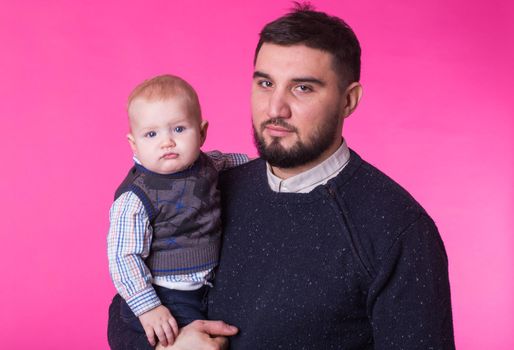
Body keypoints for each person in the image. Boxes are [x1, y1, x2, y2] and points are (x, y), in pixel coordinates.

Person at [108, 4, 455, 349]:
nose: (275, 108)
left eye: (302, 88)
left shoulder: (398, 230)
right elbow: (123, 313)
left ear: (348, 100)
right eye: (265, 83)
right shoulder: (211, 186)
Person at [107, 75, 248, 348]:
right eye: (151, 134)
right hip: (163, 296)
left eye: (179, 129)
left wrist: (262, 163)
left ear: (202, 132)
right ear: (134, 143)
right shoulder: (136, 197)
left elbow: (233, 161)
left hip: (205, 287)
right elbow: (123, 257)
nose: (167, 142)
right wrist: (148, 307)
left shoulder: (206, 165)